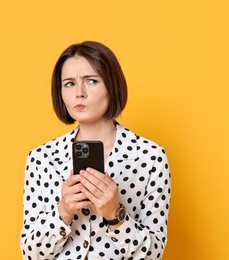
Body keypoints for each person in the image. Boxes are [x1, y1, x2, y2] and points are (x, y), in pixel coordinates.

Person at [20, 41, 171, 260]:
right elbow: (31, 255)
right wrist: (63, 211)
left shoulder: (150, 158)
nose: (79, 93)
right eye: (69, 83)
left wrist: (115, 214)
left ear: (112, 86)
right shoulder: (42, 159)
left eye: (91, 81)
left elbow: (152, 255)